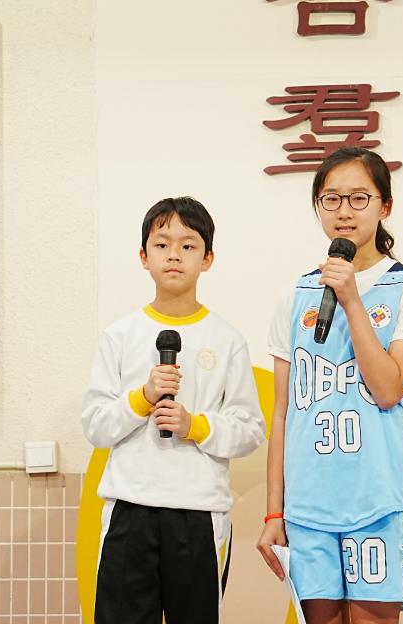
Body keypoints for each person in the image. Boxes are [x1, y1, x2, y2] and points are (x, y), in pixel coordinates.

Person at [257, 148, 403, 624]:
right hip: (307, 505)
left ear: (385, 206)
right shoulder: (293, 296)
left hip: (379, 499)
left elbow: (388, 389)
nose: (344, 211)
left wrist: (352, 299)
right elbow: (283, 412)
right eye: (331, 199)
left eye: (359, 198)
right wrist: (274, 512)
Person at [81, 196, 267, 624]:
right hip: (129, 509)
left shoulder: (226, 339)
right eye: (162, 245)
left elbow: (250, 429)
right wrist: (141, 398)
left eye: (188, 245)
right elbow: (95, 425)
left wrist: (195, 425)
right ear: (143, 256)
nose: (174, 255)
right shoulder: (120, 335)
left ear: (208, 259)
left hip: (198, 512)